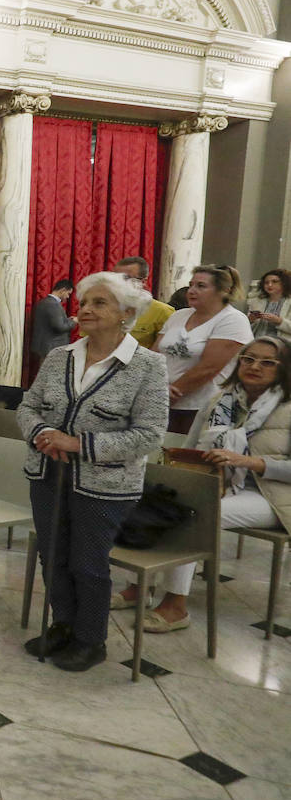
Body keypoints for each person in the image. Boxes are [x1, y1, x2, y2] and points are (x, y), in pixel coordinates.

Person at [17, 272, 168, 672]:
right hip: (48, 475)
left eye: (99, 303)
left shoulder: (148, 366)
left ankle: (90, 639)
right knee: (53, 556)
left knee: (87, 561)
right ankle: (63, 624)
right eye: (84, 302)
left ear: (127, 313)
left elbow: (150, 435)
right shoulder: (59, 357)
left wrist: (79, 444)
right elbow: (27, 406)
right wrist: (43, 433)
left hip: (106, 484)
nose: (84, 309)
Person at [115, 336, 291, 632]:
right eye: (248, 359)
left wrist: (251, 462)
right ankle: (138, 588)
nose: (255, 367)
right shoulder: (222, 399)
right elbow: (191, 445)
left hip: (270, 494)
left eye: (267, 362)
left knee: (198, 513)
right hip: (217, 484)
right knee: (151, 501)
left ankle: (176, 605)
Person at [157, 264, 254, 434]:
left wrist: (167, 394)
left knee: (188, 456)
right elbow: (154, 354)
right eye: (191, 284)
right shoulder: (178, 315)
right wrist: (153, 389)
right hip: (163, 400)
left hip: (204, 406)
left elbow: (208, 367)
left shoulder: (233, 320)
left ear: (223, 291)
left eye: (201, 286)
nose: (191, 290)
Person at [113, 256, 174, 349]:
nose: (118, 283)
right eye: (115, 278)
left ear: (143, 281)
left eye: (126, 278)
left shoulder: (162, 311)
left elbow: (163, 351)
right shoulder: (102, 307)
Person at [31, 279, 77, 362]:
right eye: (68, 293)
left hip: (45, 346)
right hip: (51, 347)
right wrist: (74, 321)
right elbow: (59, 327)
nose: (68, 297)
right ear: (63, 290)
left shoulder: (45, 302)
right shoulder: (52, 304)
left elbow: (49, 324)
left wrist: (67, 320)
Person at [248, 269, 291, 342]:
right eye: (266, 282)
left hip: (281, 344)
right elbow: (247, 326)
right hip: (256, 341)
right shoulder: (256, 301)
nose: (269, 285)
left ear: (284, 283)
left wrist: (279, 321)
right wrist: (250, 320)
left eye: (274, 282)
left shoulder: (289, 302)